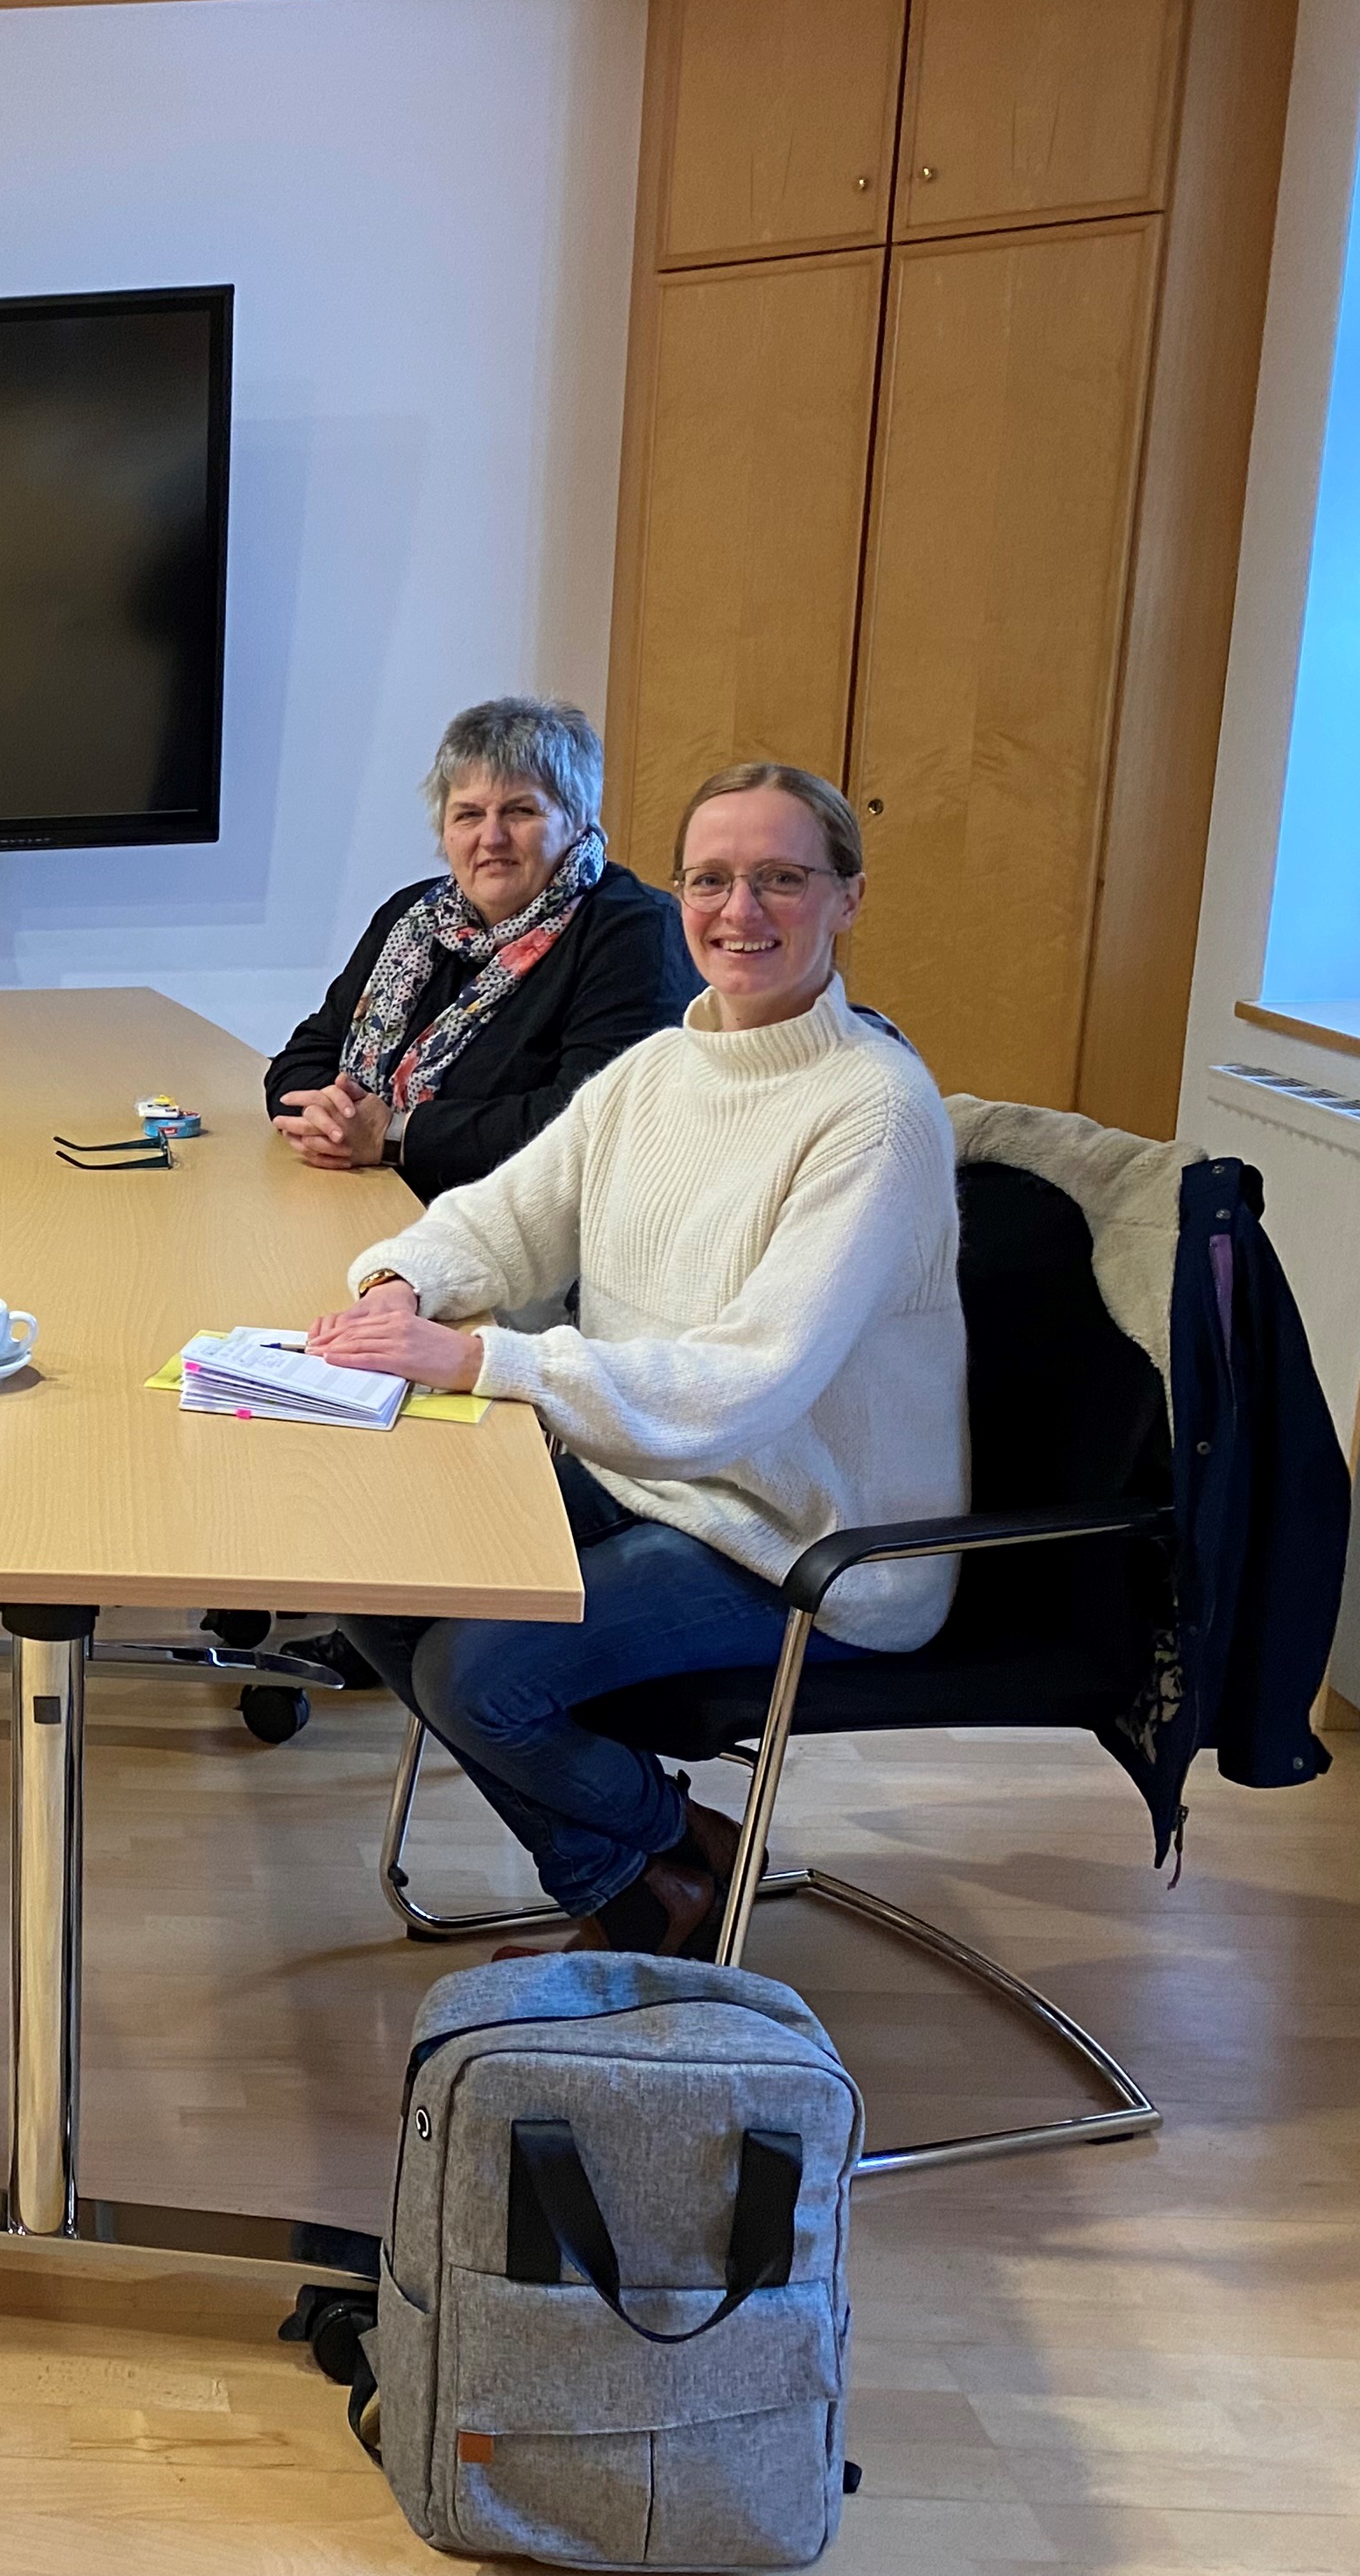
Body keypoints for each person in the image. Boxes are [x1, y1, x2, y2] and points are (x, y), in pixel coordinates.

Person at [306, 763, 963, 1959]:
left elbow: (747, 1382)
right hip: (646, 1471)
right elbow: (508, 1218)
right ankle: (652, 1867)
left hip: (795, 1530)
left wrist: (479, 1358)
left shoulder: (873, 1110)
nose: (739, 911)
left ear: (848, 900)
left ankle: (643, 1868)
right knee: (367, 1555)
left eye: (780, 879)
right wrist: (404, 1283)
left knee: (478, 1673)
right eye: (710, 880)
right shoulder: (663, 1069)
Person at [266, 697, 698, 1200]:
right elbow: (309, 1051)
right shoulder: (412, 915)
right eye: (468, 814)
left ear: (578, 821)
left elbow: (592, 1120)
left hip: (527, 1239)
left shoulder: (637, 931)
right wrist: (329, 1119)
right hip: (367, 1198)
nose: (491, 837)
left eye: (520, 811)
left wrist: (393, 1136)